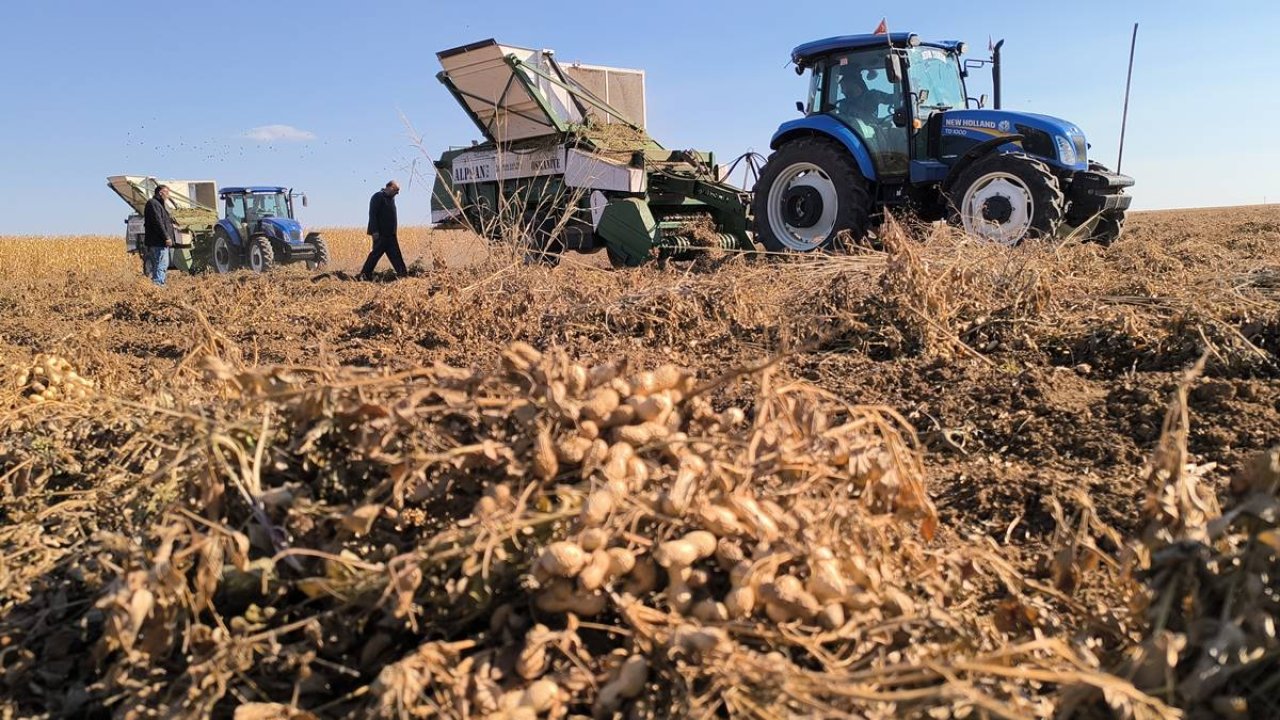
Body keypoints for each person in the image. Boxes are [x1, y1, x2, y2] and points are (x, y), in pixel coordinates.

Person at [360, 180, 406, 279]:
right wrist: (375, 231)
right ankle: (364, 275)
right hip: (381, 234)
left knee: (396, 256)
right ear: (389, 187)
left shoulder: (391, 199)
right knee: (375, 256)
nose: (397, 193)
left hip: (391, 235)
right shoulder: (378, 197)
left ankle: (403, 275)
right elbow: (372, 214)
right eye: (396, 190)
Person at [142, 185, 176, 286]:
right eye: (166, 193)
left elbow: (163, 221)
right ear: (160, 193)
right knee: (161, 264)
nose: (168, 196)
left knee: (160, 263)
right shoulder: (153, 204)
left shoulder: (158, 204)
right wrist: (167, 237)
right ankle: (158, 285)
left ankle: (157, 284)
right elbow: (158, 222)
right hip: (158, 241)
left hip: (158, 240)